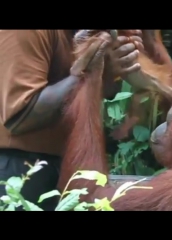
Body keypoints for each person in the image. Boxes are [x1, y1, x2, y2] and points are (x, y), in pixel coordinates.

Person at [0, 30, 143, 211]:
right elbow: (20, 116)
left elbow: (100, 93)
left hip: (69, 163)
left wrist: (113, 66)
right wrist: (89, 72)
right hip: (21, 167)